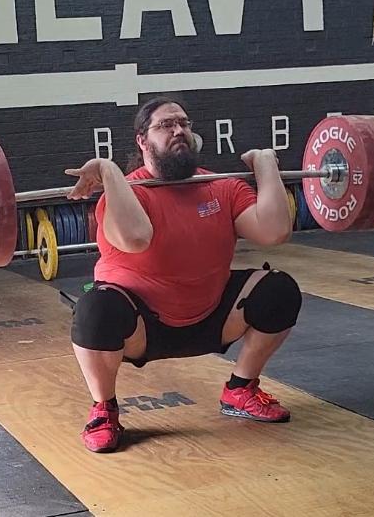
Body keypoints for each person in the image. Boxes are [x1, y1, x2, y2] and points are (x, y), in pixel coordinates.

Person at [63, 97, 302, 453]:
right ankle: (104, 410)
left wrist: (265, 164)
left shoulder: (221, 186)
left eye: (184, 124)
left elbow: (274, 231)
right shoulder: (124, 194)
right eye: (165, 125)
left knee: (279, 290)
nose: (179, 131)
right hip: (140, 328)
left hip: (212, 317)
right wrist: (109, 171)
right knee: (94, 309)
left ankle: (240, 389)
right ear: (142, 141)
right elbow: (135, 237)